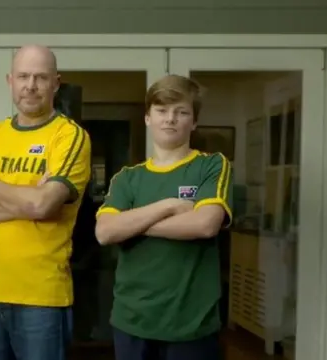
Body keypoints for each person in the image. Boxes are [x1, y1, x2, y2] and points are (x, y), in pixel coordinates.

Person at [0, 45, 92, 360]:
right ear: (10, 80)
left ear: (56, 83)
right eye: (23, 76)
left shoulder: (69, 136)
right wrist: (27, 199)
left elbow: (43, 205)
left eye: (40, 77)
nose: (30, 85)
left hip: (41, 296)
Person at [95, 75, 233, 360]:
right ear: (148, 118)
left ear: (193, 122)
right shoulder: (127, 179)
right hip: (132, 321)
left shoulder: (212, 165)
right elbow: (105, 232)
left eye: (181, 112)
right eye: (161, 111)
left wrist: (132, 224)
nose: (170, 119)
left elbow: (205, 224)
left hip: (191, 324)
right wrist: (169, 205)